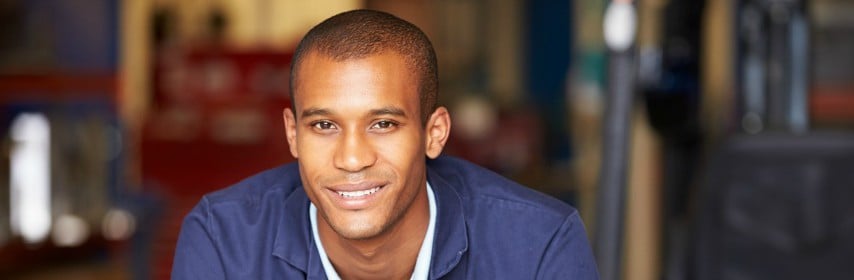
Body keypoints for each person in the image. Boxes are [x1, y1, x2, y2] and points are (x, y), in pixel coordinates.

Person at [171, 9, 598, 279]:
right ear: (292, 135)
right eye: (323, 125)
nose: (352, 158)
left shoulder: (537, 245)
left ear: (435, 133)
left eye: (382, 124)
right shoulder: (223, 242)